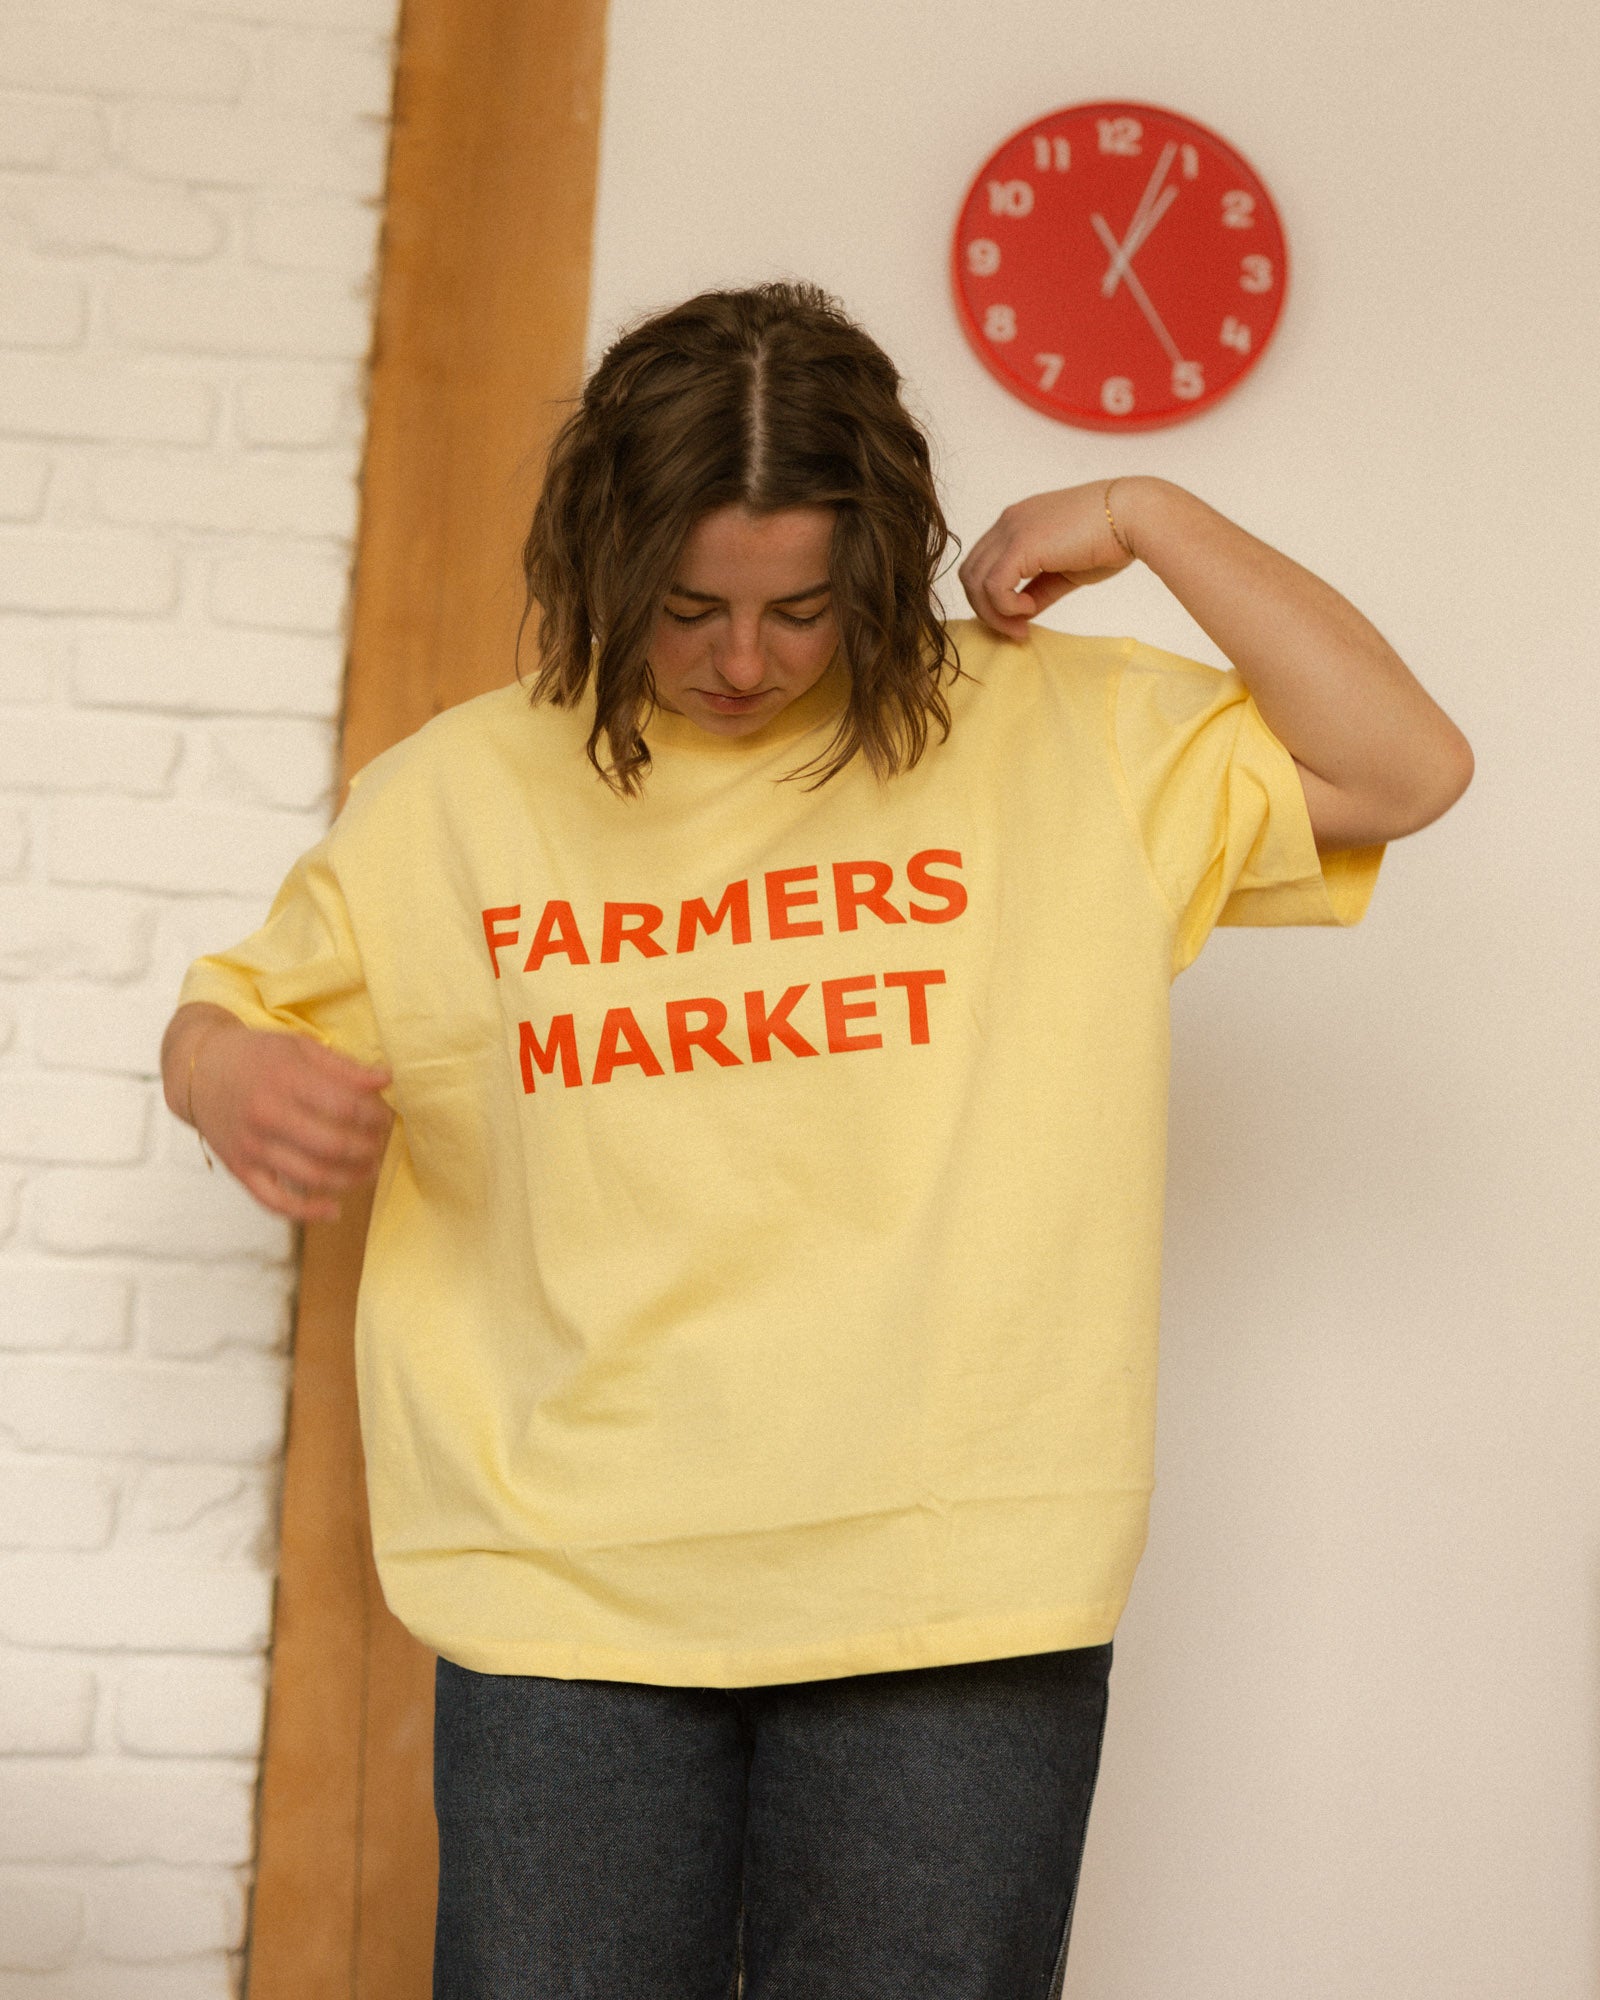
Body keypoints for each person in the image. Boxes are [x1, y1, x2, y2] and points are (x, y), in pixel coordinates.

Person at [160, 281, 1472, 2000]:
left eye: (801, 610)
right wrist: (222, 1080)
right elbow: (234, 1020)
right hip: (568, 1588)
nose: (743, 663)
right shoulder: (456, 796)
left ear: (881, 564)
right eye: (688, 607)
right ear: (601, 561)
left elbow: (1402, 767)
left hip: (958, 1585)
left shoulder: (1055, 733)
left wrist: (1154, 513)